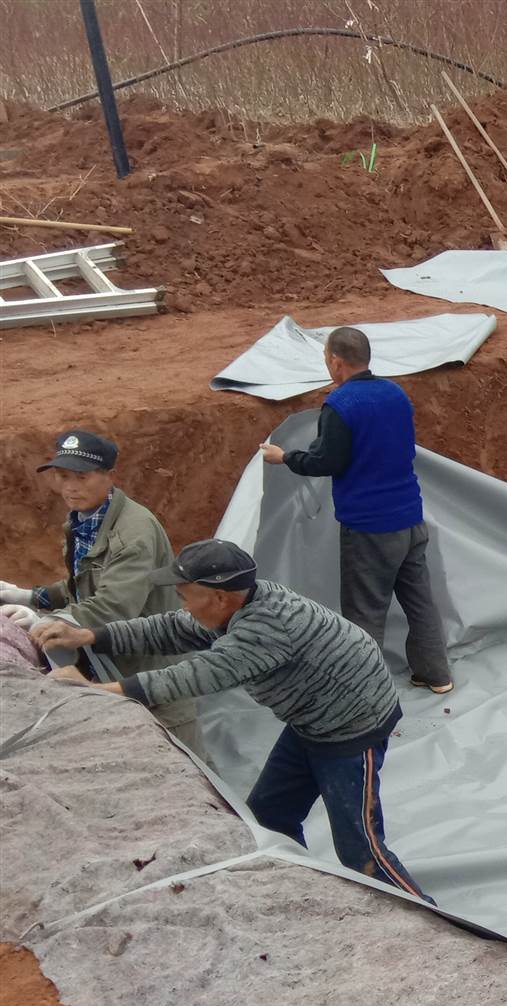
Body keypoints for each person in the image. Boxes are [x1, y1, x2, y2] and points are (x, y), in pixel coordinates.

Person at [36, 538, 432, 903]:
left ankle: (435, 925)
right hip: (311, 721)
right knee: (268, 820)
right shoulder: (241, 604)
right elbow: (174, 629)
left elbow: (191, 677)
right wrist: (88, 636)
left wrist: (92, 689)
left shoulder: (265, 630)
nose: (183, 604)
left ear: (219, 596)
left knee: (361, 851)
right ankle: (301, 894)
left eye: (185, 595)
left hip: (351, 727)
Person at [257, 326, 453, 694]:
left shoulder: (341, 406)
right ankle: (437, 674)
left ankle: (365, 691)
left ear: (336, 361)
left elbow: (325, 460)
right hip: (410, 517)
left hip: (369, 527)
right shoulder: (395, 393)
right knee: (420, 601)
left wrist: (283, 457)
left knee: (365, 612)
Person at [0, 428, 201, 750]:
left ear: (109, 475)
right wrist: (29, 596)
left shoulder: (133, 533)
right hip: (108, 668)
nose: (70, 487)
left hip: (149, 679)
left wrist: (44, 623)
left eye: (81, 476)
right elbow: (83, 584)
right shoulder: (86, 519)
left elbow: (114, 607)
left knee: (185, 771)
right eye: (63, 476)